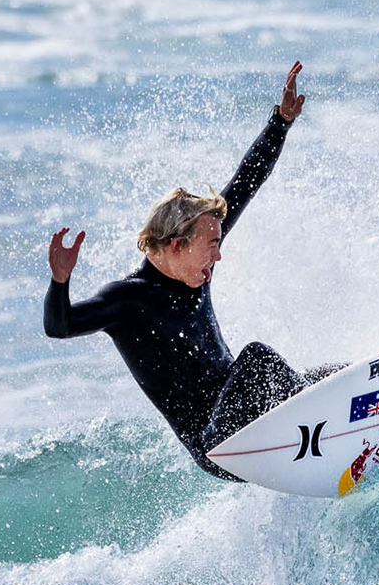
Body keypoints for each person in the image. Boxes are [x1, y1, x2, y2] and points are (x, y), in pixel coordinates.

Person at [43, 63, 320, 481]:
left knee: (325, 376)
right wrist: (60, 281)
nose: (218, 256)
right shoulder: (127, 300)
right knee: (258, 360)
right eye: (211, 246)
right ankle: (323, 426)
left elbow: (246, 181)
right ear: (176, 246)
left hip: (248, 422)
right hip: (219, 445)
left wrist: (280, 122)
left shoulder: (194, 268)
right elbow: (59, 327)